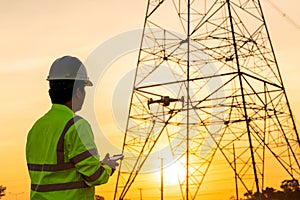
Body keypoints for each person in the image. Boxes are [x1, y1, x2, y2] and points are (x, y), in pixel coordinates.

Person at [26, 55, 119, 200]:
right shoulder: (76, 126)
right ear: (78, 92)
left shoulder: (36, 128)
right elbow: (94, 177)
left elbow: (57, 174)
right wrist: (108, 167)